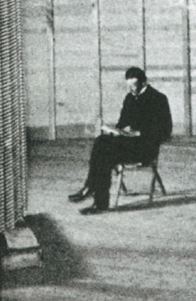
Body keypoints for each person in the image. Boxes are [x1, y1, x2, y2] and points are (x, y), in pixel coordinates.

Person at [69, 67, 172, 214]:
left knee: (104, 152)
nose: (131, 89)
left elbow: (165, 131)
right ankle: (95, 194)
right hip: (129, 144)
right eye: (128, 86)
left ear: (144, 82)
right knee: (101, 142)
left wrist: (140, 133)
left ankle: (95, 194)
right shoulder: (129, 98)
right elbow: (122, 123)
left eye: (134, 85)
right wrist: (116, 130)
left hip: (145, 148)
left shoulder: (159, 99)